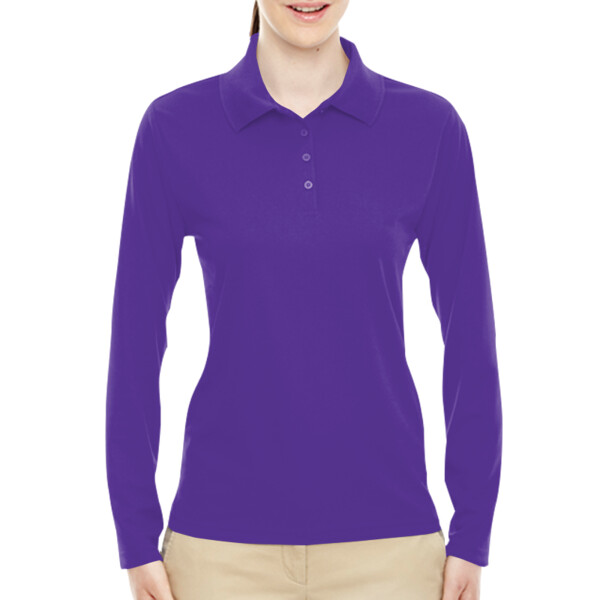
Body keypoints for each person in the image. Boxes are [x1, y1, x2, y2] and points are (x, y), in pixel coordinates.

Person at [105, 1, 503, 599]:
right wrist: (135, 537)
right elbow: (135, 341)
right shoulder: (175, 128)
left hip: (390, 549)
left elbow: (471, 339)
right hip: (219, 551)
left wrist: (473, 532)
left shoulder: (428, 128)